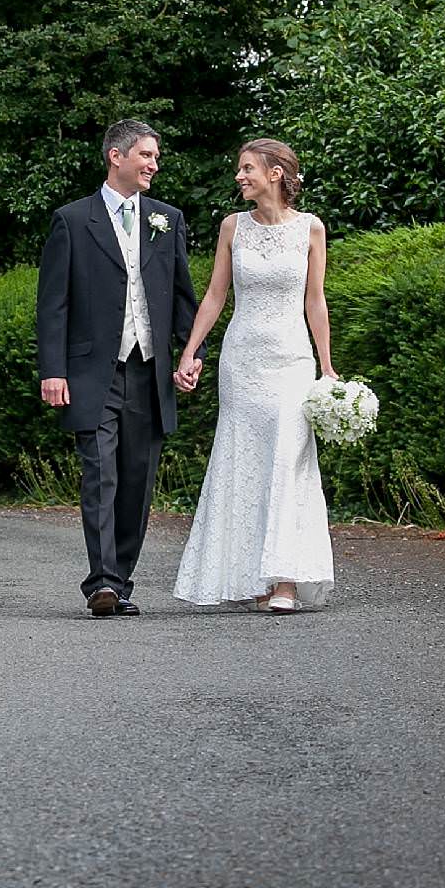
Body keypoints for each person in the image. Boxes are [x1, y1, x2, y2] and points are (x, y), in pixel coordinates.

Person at [35, 118, 199, 617]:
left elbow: (182, 296)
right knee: (100, 474)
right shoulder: (71, 220)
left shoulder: (167, 220)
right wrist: (52, 370)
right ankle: (102, 582)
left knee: (137, 479)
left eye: (155, 157)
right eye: (147, 155)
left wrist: (191, 355)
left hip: (149, 371)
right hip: (91, 373)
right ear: (117, 156)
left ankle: (121, 580)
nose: (154, 164)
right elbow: (53, 304)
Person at [170, 138, 337, 613]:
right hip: (242, 360)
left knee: (289, 460)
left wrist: (326, 366)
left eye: (247, 169)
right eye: (239, 169)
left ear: (276, 173)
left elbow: (315, 301)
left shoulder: (311, 229)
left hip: (291, 361)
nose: (240, 177)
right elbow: (215, 295)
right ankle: (254, 575)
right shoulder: (231, 227)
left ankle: (285, 579)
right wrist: (190, 351)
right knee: (245, 461)